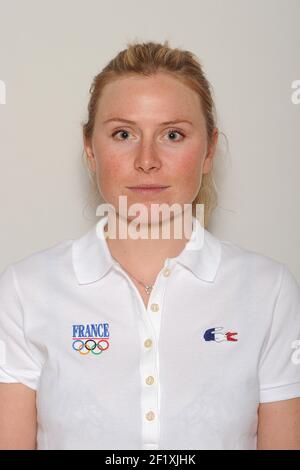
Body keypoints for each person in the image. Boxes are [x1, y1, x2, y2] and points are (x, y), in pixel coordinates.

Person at [0, 40, 300, 450]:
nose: (146, 160)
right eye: (123, 133)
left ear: (209, 149)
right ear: (90, 148)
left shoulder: (270, 290)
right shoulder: (23, 290)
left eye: (172, 134)